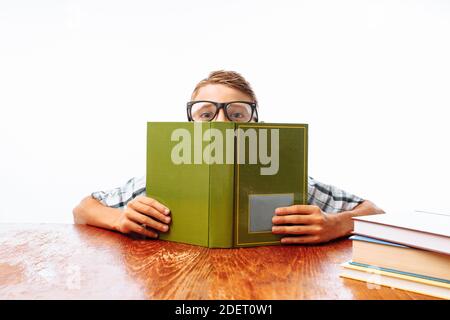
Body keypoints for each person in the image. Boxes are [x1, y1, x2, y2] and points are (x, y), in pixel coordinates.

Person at [73, 70, 384, 244]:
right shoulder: (158, 184)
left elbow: (376, 212)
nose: (221, 124)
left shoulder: (296, 186)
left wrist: (337, 224)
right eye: (207, 114)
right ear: (189, 127)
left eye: (236, 114)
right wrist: (119, 218)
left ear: (257, 125)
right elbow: (83, 208)